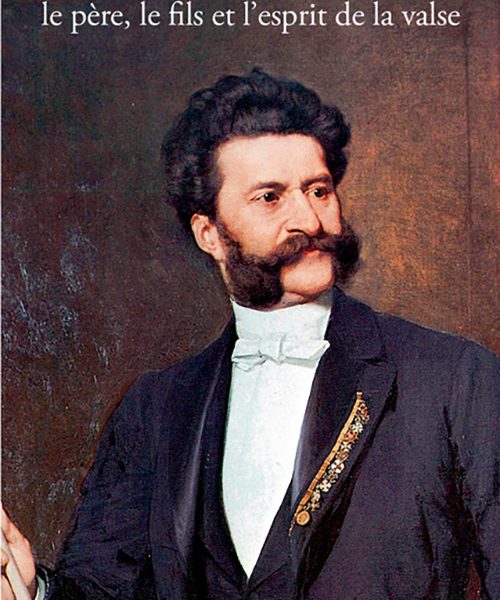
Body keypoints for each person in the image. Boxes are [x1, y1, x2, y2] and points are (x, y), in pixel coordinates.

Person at [2, 69, 498, 599]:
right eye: (270, 197)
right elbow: (101, 590)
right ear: (209, 234)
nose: (309, 220)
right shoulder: (155, 408)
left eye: (319, 190)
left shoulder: (456, 378)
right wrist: (32, 591)